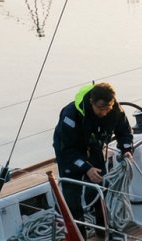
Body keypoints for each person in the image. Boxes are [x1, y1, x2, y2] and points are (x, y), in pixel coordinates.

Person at [52, 82, 134, 224]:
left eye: (107, 108)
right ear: (92, 102)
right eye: (101, 108)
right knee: (72, 193)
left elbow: (124, 131)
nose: (104, 113)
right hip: (69, 151)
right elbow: (67, 150)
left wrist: (126, 149)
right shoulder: (70, 115)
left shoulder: (115, 111)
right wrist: (86, 168)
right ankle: (79, 236)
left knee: (99, 189)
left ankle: (103, 230)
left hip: (94, 146)